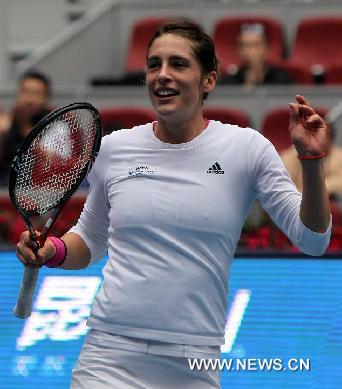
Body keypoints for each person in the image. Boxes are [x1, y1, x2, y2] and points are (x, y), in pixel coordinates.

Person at [16, 20, 331, 388]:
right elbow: (90, 238)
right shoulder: (115, 148)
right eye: (153, 64)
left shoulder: (246, 149)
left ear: (208, 80)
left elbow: (313, 240)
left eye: (178, 64)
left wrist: (311, 161)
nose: (162, 75)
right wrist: (51, 251)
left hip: (194, 362)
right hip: (110, 355)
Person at [0, 70, 51, 186]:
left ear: (45, 98)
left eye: (37, 93)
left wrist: (25, 128)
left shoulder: (56, 124)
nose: (30, 99)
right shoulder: (5, 119)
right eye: (25, 92)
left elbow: (51, 160)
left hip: (38, 188)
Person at [281, 121, 342, 199]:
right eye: (313, 134)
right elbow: (282, 181)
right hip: (294, 201)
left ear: (330, 140)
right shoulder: (292, 155)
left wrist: (313, 191)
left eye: (322, 135)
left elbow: (338, 183)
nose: (316, 139)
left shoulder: (339, 156)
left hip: (325, 202)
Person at [223, 23, 294, 85]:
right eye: (246, 45)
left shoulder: (282, 78)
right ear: (239, 50)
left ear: (266, 48)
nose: (252, 50)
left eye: (256, 44)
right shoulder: (230, 80)